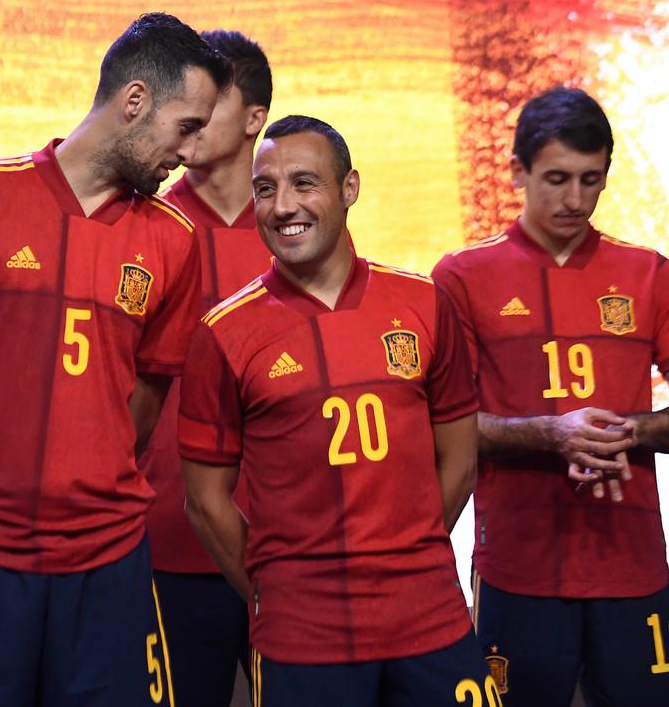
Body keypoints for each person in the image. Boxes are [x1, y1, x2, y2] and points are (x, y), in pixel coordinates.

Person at [0, 12, 229, 706]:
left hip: (106, 565)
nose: (190, 152)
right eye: (186, 126)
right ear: (134, 102)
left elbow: (142, 403)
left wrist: (81, 475)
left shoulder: (172, 241)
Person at [180, 115, 497, 706]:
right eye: (266, 188)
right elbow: (204, 500)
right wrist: (278, 589)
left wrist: (410, 552)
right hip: (303, 638)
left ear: (349, 189)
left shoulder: (424, 303)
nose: (282, 206)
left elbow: (459, 460)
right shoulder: (224, 333)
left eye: (304, 183)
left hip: (430, 619)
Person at [432, 87, 669, 706]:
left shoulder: (649, 273)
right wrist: (552, 432)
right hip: (519, 567)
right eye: (557, 179)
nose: (575, 200)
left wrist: (631, 431)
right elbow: (443, 424)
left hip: (632, 568)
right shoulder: (462, 276)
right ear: (517, 172)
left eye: (592, 181)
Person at [139, 29, 272, 707]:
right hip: (164, 547)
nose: (186, 116)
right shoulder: (142, 228)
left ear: (254, 119)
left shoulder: (299, 233)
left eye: (207, 103)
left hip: (278, 552)